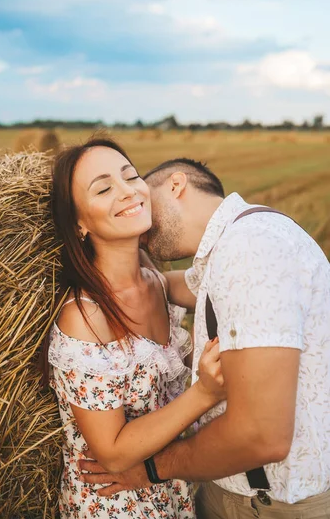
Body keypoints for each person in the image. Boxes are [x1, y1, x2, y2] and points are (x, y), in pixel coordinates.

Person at [80, 158, 330, 519]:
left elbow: (262, 436)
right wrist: (126, 271)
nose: (142, 225)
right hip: (238, 488)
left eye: (144, 200)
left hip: (268, 506)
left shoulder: (250, 249)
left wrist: (152, 469)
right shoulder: (237, 244)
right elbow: (179, 285)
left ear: (176, 185)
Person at [43, 141, 226, 519]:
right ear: (79, 223)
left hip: (171, 490)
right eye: (104, 188)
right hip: (115, 505)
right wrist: (204, 393)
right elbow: (112, 452)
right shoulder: (84, 316)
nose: (128, 190)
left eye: (131, 176)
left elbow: (222, 283)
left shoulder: (156, 284)